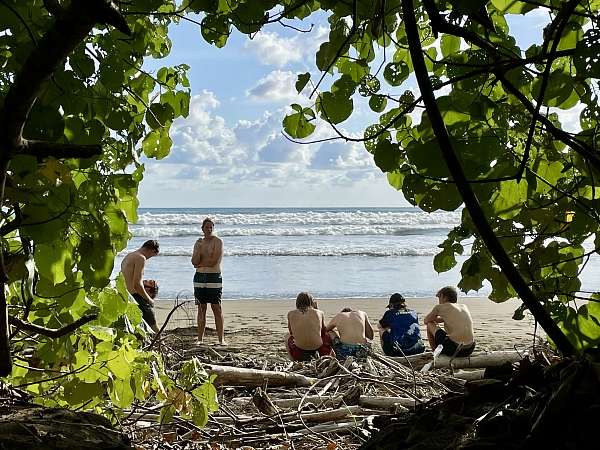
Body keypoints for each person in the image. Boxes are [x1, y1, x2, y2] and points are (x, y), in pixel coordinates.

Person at [192, 217, 225, 345]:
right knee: (201, 308)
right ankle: (200, 339)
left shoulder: (218, 241)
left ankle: (221, 339)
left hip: (214, 277)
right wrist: (199, 250)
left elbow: (213, 262)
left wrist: (200, 263)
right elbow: (194, 261)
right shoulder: (199, 242)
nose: (209, 229)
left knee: (216, 307)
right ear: (202, 228)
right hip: (199, 278)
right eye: (207, 227)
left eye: (211, 227)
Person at [120, 240, 160, 333]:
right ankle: (160, 345)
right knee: (153, 326)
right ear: (152, 251)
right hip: (135, 296)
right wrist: (149, 300)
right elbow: (137, 284)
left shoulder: (129, 256)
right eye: (152, 256)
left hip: (126, 296)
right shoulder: (141, 258)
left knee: (137, 327)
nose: (149, 258)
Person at [424, 286, 475, 357]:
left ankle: (435, 353)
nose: (439, 301)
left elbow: (426, 320)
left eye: (439, 297)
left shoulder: (440, 307)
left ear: (444, 297)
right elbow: (446, 319)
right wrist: (438, 319)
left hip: (454, 349)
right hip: (470, 349)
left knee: (429, 324)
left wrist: (434, 318)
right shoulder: (463, 306)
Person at [286, 292, 333, 361]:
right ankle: (331, 354)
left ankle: (292, 359)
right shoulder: (319, 312)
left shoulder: (290, 314)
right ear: (310, 302)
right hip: (320, 351)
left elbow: (291, 332)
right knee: (329, 334)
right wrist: (316, 308)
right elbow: (323, 330)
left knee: (287, 337)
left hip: (299, 353)